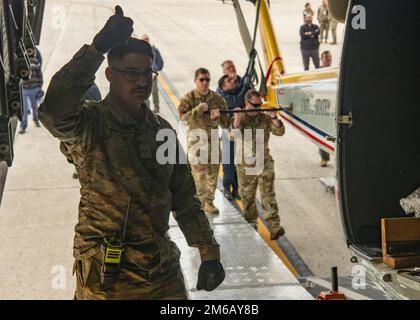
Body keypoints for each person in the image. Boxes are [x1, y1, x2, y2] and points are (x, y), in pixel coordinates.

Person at [38, 6, 224, 300]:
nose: (141, 81)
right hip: (106, 276)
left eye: (147, 73)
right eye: (131, 73)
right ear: (110, 74)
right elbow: (53, 111)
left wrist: (208, 252)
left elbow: (184, 195)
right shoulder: (89, 124)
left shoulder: (162, 130)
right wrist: (98, 47)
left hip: (160, 270)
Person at [232, 89, 285, 240]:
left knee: (268, 194)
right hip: (246, 165)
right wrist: (237, 119)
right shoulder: (240, 118)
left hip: (264, 162)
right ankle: (251, 223)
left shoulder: (264, 118)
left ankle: (274, 226)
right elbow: (231, 135)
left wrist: (274, 117)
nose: (258, 108)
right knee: (247, 198)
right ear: (246, 103)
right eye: (254, 105)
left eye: (260, 105)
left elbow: (280, 132)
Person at [178, 68, 230, 215]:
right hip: (197, 145)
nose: (205, 82)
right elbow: (182, 118)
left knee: (212, 176)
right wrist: (197, 110)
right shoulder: (189, 98)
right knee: (198, 177)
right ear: (196, 81)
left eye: (207, 79)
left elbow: (227, 123)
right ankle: (198, 205)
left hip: (213, 143)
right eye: (201, 79)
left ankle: (209, 203)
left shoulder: (217, 99)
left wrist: (217, 117)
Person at [217, 74, 250, 200]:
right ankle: (226, 187)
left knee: (238, 162)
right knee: (228, 162)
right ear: (223, 86)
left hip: (240, 132)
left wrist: (246, 80)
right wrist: (245, 85)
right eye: (229, 81)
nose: (233, 82)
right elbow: (237, 100)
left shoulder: (235, 91)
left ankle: (236, 189)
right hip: (228, 133)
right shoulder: (223, 97)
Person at [19, 49, 44, 134]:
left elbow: (39, 75)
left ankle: (36, 120)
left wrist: (39, 87)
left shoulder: (35, 61)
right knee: (24, 108)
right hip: (24, 89)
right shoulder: (19, 63)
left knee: (35, 107)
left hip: (34, 88)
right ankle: (23, 126)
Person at [141, 34, 164, 113]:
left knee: (154, 91)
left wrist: (155, 70)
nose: (145, 40)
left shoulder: (154, 51)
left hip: (152, 74)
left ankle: (156, 106)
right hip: (142, 76)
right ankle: (146, 108)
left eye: (147, 39)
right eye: (144, 39)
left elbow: (160, 62)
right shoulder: (138, 52)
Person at [319, 50, 332, 167]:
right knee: (323, 134)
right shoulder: (318, 73)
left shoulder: (335, 71)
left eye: (329, 57)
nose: (328, 59)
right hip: (323, 108)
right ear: (321, 59)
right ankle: (324, 157)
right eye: (326, 57)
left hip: (333, 106)